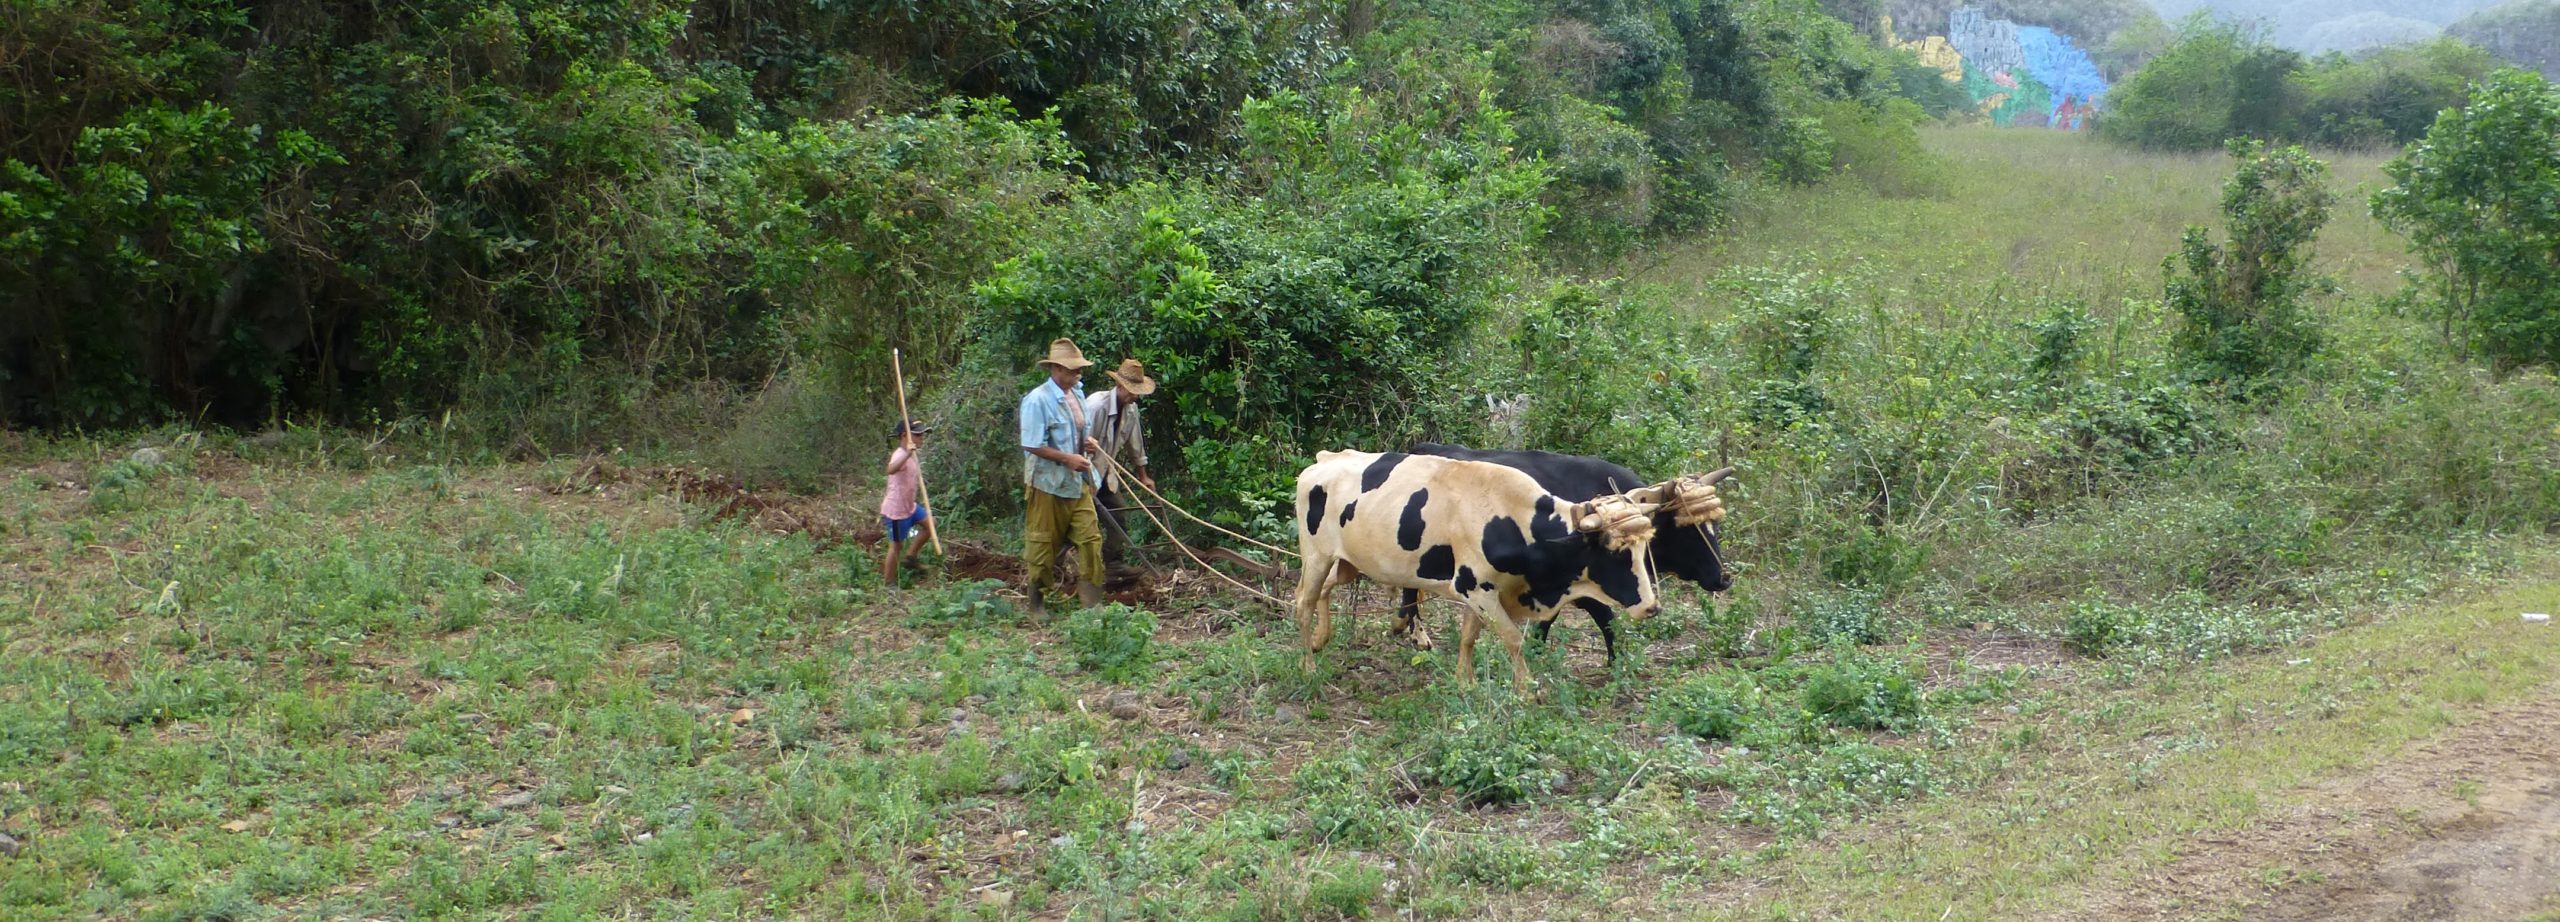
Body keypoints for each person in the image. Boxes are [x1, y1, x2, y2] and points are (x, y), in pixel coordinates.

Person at [1018, 338, 1106, 616]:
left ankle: (1092, 604)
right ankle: (1036, 604)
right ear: (1056, 369)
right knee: (1043, 545)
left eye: (1079, 370)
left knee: (1091, 540)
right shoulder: (1037, 400)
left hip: (1077, 483)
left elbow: (1077, 431)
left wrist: (1087, 443)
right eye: (1073, 369)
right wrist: (1067, 458)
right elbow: (1031, 443)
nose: (1078, 374)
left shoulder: (1077, 394)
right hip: (1047, 485)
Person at [1082, 357, 1158, 568]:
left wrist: (1143, 475)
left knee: (1119, 516)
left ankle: (1113, 563)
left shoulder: (1131, 410)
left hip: (1106, 473)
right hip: (1084, 473)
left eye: (1137, 391)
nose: (1135, 396)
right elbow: (1079, 443)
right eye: (1131, 390)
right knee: (1079, 524)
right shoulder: (1096, 406)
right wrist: (1084, 482)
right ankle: (1059, 565)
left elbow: (1136, 445)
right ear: (1118, 385)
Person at [878, 419, 935, 588]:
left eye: (921, 435)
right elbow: (890, 469)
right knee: (896, 546)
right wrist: (908, 454)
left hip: (910, 507)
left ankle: (910, 558)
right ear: (905, 436)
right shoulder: (900, 454)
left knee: (930, 525)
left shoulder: (912, 453)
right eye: (917, 435)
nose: (921, 438)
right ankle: (888, 583)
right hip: (896, 511)